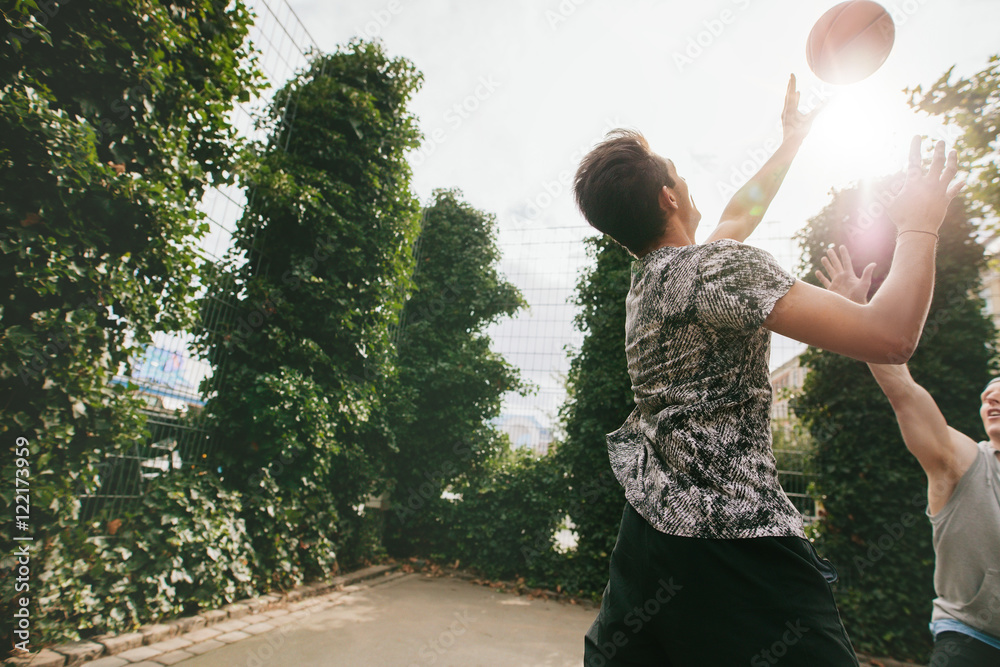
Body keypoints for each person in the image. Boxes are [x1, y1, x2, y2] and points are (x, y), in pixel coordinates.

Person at [572, 73, 964, 666]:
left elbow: (737, 216)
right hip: (733, 536)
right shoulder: (718, 271)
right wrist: (923, 221)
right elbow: (890, 336)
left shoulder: (651, 282)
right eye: (676, 172)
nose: (684, 179)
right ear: (668, 197)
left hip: (649, 530)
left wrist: (792, 140)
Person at [818, 245, 1000, 667]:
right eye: (986, 393)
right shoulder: (966, 462)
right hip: (972, 642)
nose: (990, 395)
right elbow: (905, 393)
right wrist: (858, 314)